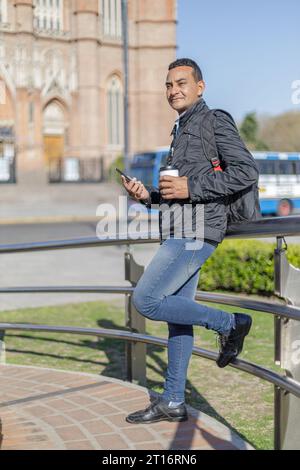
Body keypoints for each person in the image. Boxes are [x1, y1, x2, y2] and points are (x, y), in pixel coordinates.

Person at [120, 58, 258, 424]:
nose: (173, 90)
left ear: (200, 86)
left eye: (181, 82)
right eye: (168, 85)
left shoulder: (215, 121)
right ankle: (173, 401)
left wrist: (190, 186)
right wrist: (147, 196)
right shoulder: (180, 130)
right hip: (180, 226)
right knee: (177, 319)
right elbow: (177, 192)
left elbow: (246, 170)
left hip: (198, 231)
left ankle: (230, 322)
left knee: (146, 300)